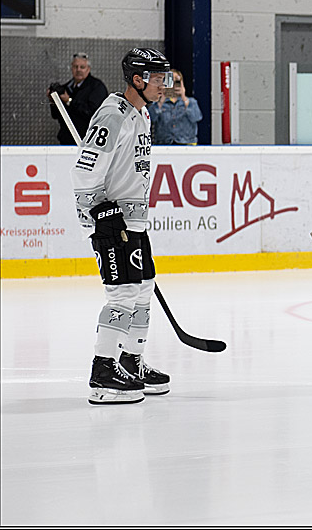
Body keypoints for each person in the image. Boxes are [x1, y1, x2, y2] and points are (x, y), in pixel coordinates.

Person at [71, 47, 175, 404]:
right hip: (112, 221)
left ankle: (131, 361)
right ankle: (103, 373)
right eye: (159, 79)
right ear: (138, 80)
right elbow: (85, 170)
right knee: (123, 295)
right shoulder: (112, 115)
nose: (166, 85)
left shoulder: (141, 114)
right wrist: (98, 213)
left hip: (134, 221)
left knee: (143, 289)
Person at [48, 52, 109, 145]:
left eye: (82, 67)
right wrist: (54, 101)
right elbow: (56, 115)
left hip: (89, 142)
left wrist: (69, 101)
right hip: (67, 141)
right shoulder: (66, 88)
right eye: (75, 67)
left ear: (88, 69)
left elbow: (91, 113)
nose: (78, 70)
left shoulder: (97, 87)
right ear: (71, 68)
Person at [148, 68, 203, 144]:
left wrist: (183, 97)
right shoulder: (157, 103)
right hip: (164, 143)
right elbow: (151, 119)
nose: (173, 85)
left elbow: (196, 117)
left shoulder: (191, 102)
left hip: (186, 143)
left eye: (176, 82)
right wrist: (162, 98)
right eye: (170, 82)